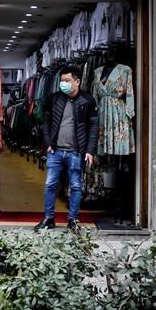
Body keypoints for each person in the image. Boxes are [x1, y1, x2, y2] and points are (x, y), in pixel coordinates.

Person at [35, 66, 99, 232]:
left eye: (67, 80)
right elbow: (46, 122)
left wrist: (90, 150)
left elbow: (94, 127)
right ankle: (49, 218)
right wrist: (48, 143)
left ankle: (73, 220)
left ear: (77, 81)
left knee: (76, 186)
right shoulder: (54, 98)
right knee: (50, 184)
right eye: (61, 81)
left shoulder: (87, 100)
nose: (63, 83)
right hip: (55, 151)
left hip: (76, 152)